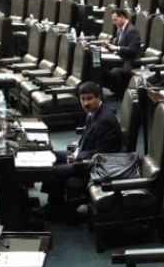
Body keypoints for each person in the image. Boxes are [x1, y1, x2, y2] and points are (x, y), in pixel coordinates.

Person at [42, 81, 123, 220]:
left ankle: (55, 211)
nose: (86, 103)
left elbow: (103, 154)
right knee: (51, 156)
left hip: (94, 166)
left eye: (89, 98)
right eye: (83, 99)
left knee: (53, 171)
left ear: (99, 97)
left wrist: (78, 157)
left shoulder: (105, 120)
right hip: (84, 154)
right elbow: (88, 138)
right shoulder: (94, 112)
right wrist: (77, 151)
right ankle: (54, 204)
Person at [104, 9, 141, 98]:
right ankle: (117, 91)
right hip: (120, 59)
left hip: (129, 62)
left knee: (113, 72)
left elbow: (133, 50)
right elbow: (118, 47)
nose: (114, 23)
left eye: (115, 20)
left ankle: (121, 93)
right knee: (102, 68)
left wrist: (117, 48)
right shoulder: (119, 30)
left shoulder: (132, 30)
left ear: (122, 17)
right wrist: (109, 46)